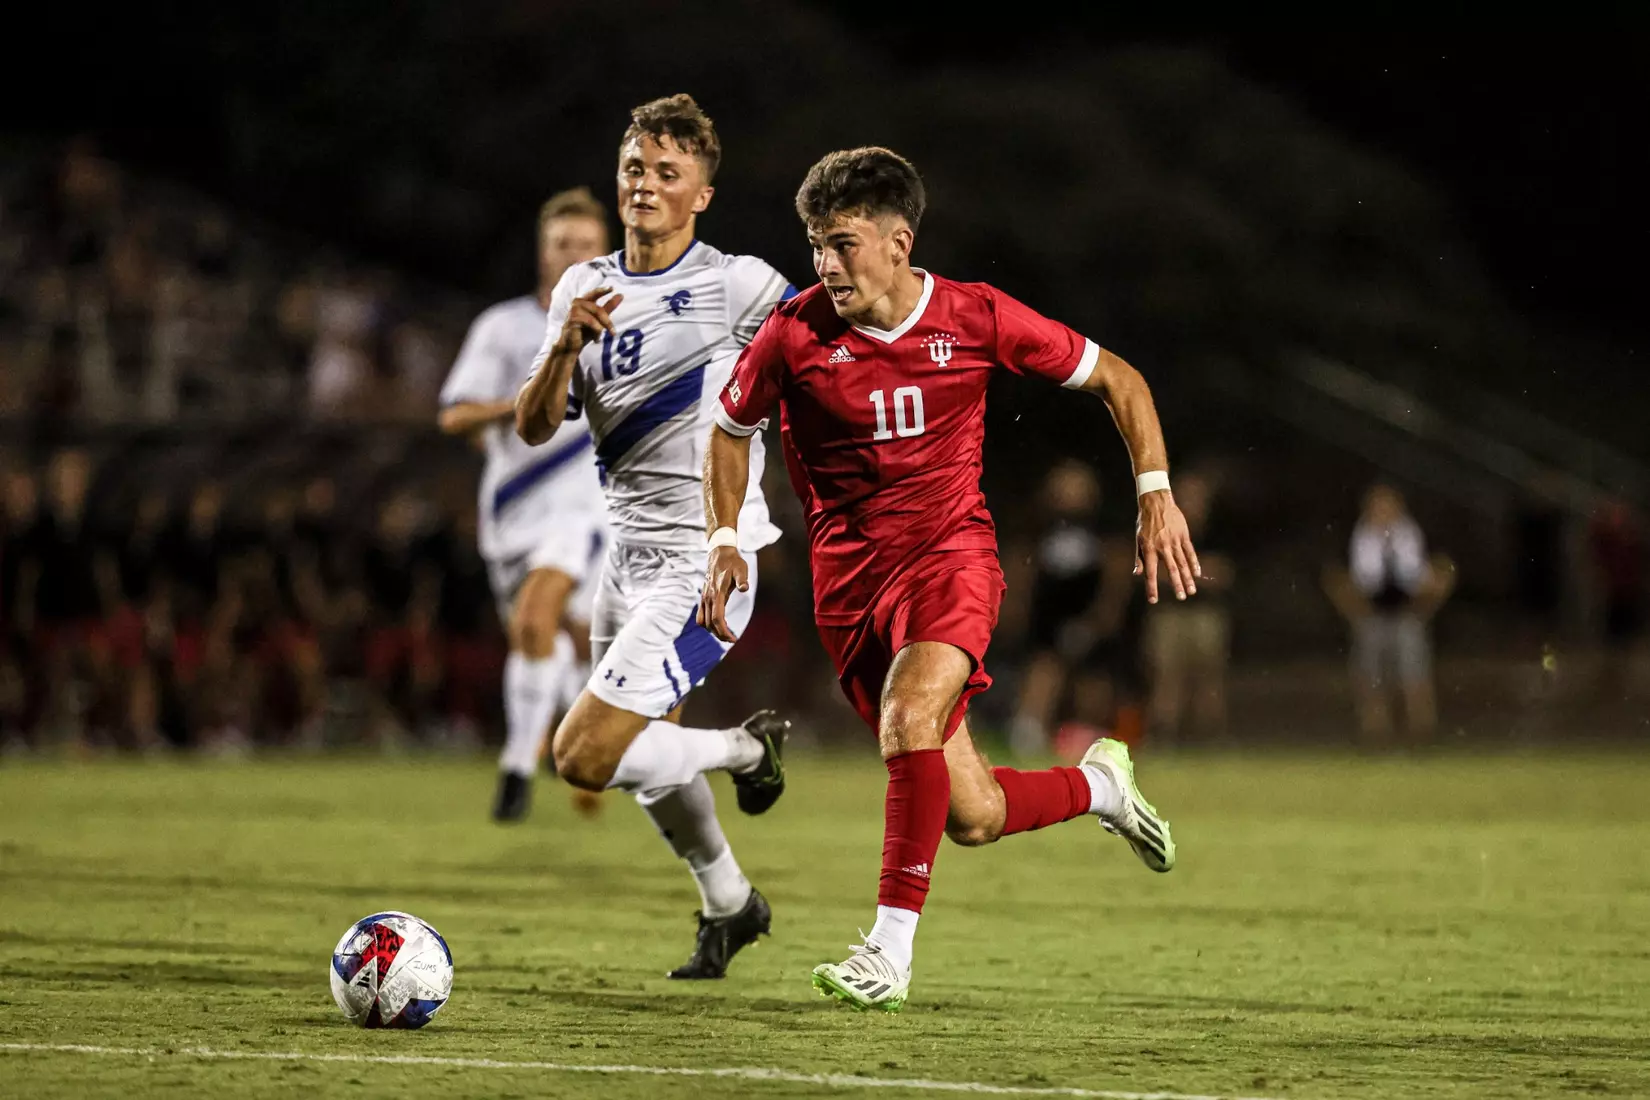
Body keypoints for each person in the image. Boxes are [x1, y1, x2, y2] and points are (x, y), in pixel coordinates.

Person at [699, 146, 1199, 1011]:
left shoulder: (974, 316)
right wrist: (723, 538)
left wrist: (1154, 493)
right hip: (850, 590)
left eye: (842, 243)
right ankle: (1098, 787)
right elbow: (728, 428)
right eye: (815, 243)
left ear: (900, 241)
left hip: (950, 560)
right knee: (973, 817)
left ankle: (887, 954)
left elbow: (1121, 380)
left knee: (909, 716)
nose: (824, 263)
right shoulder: (794, 333)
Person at [515, 95, 791, 980]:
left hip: (707, 558)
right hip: (624, 560)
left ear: (701, 194)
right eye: (636, 167)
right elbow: (531, 427)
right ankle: (729, 903)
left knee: (585, 754)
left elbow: (828, 352)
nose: (645, 184)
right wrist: (562, 345)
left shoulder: (738, 282)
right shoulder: (581, 285)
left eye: (668, 173)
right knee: (640, 757)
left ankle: (748, 748)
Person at [439, 188, 611, 822]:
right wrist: (524, 401)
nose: (572, 255)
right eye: (561, 244)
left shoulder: (628, 327)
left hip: (584, 509)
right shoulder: (503, 327)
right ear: (542, 253)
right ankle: (568, 732)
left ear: (604, 252)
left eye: (585, 245)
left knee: (539, 621)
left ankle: (515, 769)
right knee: (546, 637)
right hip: (511, 508)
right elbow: (454, 414)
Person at [1007, 460, 1135, 756]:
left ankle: (1089, 737)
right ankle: (1028, 731)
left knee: (1094, 683)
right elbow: (1020, 565)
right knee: (1044, 669)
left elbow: (1118, 570)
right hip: (1048, 615)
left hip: (1088, 613)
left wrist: (1105, 614)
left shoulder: (1103, 525)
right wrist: (1015, 607)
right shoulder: (1038, 524)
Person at [1322, 482, 1454, 747]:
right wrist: (1353, 610)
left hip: (1408, 614)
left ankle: (1420, 733)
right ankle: (1375, 734)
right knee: (1371, 676)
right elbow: (1334, 576)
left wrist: (1427, 605)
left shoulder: (1414, 534)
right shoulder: (1354, 535)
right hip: (1370, 616)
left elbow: (1443, 570)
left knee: (1414, 674)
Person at [1141, 469, 1234, 745]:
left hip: (1206, 614)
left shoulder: (1219, 529)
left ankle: (1209, 739)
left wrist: (1180, 572)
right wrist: (1197, 572)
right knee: (1166, 678)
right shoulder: (1157, 525)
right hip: (1169, 614)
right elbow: (1150, 571)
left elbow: (1224, 574)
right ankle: (1164, 739)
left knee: (1209, 679)